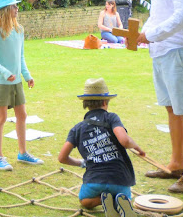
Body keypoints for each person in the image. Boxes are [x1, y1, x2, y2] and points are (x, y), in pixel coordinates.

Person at [136, 0, 183, 193]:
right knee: (171, 109)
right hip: (160, 50)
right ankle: (176, 165)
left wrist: (151, 34)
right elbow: (159, 12)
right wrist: (141, 33)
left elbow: (182, 15)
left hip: (177, 49)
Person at [58, 78, 144, 209]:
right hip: (119, 178)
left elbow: (62, 158)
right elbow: (125, 140)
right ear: (105, 101)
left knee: (85, 201)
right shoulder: (111, 118)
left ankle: (101, 199)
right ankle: (118, 200)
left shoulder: (77, 128)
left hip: (94, 180)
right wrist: (136, 146)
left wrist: (81, 163)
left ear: (85, 103)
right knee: (125, 198)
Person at [0, 0, 43, 171]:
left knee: (22, 115)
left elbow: (20, 57)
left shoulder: (19, 30)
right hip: (1, 82)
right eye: (14, 6)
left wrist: (27, 75)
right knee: (1, 118)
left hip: (16, 82)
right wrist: (4, 72)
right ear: (5, 10)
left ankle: (23, 153)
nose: (17, 8)